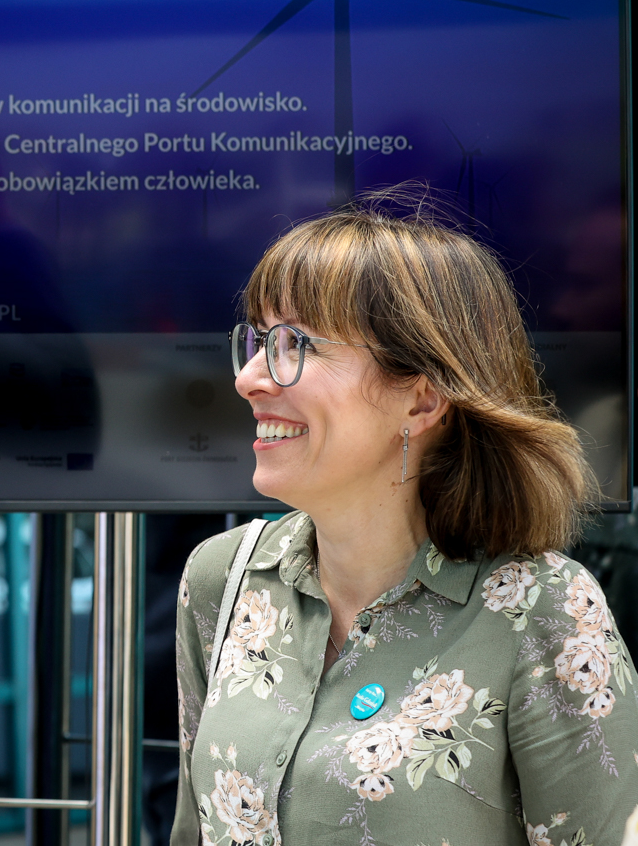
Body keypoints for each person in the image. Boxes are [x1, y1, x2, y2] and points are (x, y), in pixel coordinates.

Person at [171, 192, 637, 846]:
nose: (249, 377)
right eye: (257, 340)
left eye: (296, 343)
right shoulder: (223, 577)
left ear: (421, 399)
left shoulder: (545, 609)